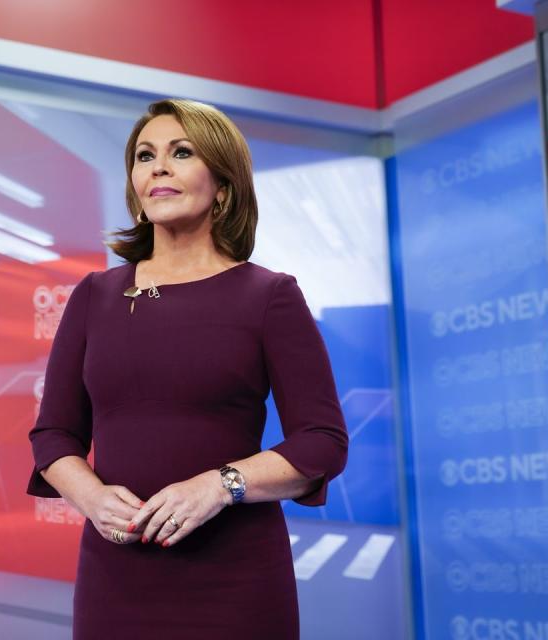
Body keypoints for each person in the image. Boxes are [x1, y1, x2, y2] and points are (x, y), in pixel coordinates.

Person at [27, 98, 348, 639]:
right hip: (115, 579)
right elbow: (54, 433)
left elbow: (321, 441)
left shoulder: (269, 295)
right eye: (145, 155)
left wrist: (220, 485)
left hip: (235, 585)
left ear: (223, 185)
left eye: (181, 152)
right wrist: (91, 497)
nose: (158, 166)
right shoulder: (95, 295)